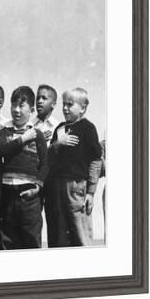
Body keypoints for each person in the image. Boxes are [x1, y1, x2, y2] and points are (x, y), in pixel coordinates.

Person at [44, 88, 102, 247]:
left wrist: (90, 192)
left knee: (80, 232)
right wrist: (57, 144)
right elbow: (49, 159)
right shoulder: (59, 129)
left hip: (77, 188)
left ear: (82, 108)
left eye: (70, 104)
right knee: (60, 234)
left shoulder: (88, 128)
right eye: (64, 104)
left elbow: (96, 160)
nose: (65, 108)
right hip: (56, 188)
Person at [0, 86, 48, 249]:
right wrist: (23, 139)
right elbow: (1, 150)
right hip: (8, 193)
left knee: (30, 238)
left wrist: (37, 187)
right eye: (13, 105)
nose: (16, 110)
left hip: (29, 194)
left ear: (31, 109)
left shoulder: (37, 134)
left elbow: (45, 164)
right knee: (7, 239)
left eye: (21, 106)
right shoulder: (4, 131)